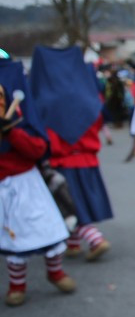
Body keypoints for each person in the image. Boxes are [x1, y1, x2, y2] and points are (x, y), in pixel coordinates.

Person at [0, 56, 76, 306]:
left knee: (46, 229)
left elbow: (37, 150)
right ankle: (17, 285)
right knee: (12, 238)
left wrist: (11, 132)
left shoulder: (20, 122)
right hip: (3, 189)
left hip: (27, 184)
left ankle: (55, 272)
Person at [30, 46, 113, 261]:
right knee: (79, 201)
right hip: (87, 158)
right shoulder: (86, 95)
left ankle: (94, 238)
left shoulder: (46, 99)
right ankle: (74, 244)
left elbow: (44, 136)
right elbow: (98, 120)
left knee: (70, 204)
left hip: (63, 160)